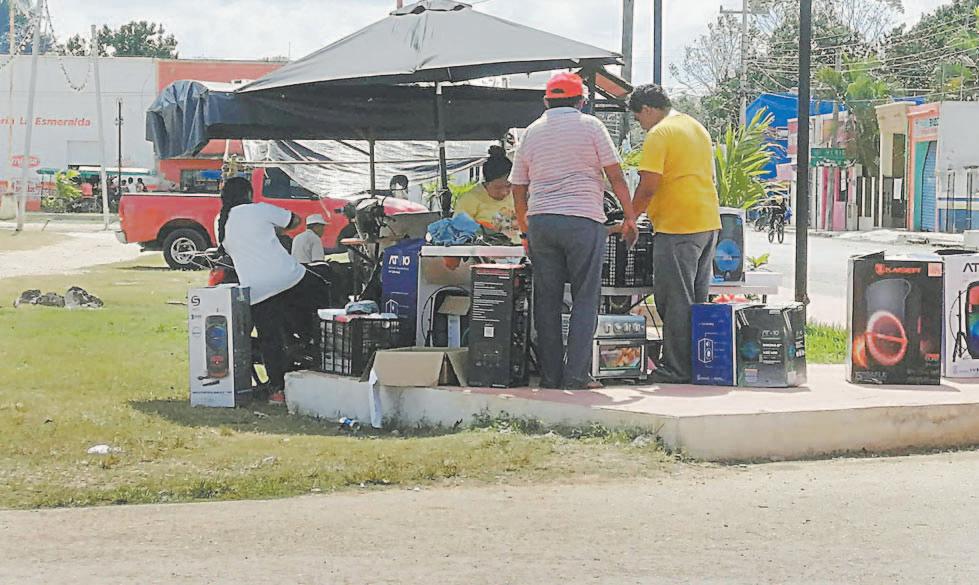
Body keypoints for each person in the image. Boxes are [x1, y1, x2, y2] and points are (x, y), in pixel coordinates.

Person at [510, 72, 638, 390]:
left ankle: (551, 377)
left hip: (541, 223)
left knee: (547, 302)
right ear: (581, 101)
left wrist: (525, 230)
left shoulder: (532, 132)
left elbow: (518, 187)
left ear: (546, 101)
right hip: (583, 221)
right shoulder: (591, 126)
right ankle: (577, 376)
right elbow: (616, 176)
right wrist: (630, 217)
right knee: (584, 298)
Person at [629, 83, 721, 384]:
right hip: (707, 221)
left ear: (647, 109)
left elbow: (648, 185)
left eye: (638, 119)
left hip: (677, 224)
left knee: (675, 300)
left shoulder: (660, 133)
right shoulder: (695, 126)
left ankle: (676, 369)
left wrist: (630, 218)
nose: (641, 126)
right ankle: (697, 364)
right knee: (697, 300)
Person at [217, 177, 328, 403]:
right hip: (288, 277)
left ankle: (277, 390)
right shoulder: (260, 210)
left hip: (256, 289)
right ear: (249, 194)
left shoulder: (221, 221)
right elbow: (294, 221)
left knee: (270, 339)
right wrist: (274, 231)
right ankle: (318, 348)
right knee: (324, 294)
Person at [455, 145, 518, 242]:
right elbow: (459, 227)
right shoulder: (470, 198)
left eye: (508, 186)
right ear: (486, 183)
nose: (504, 192)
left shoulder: (517, 196)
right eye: (497, 187)